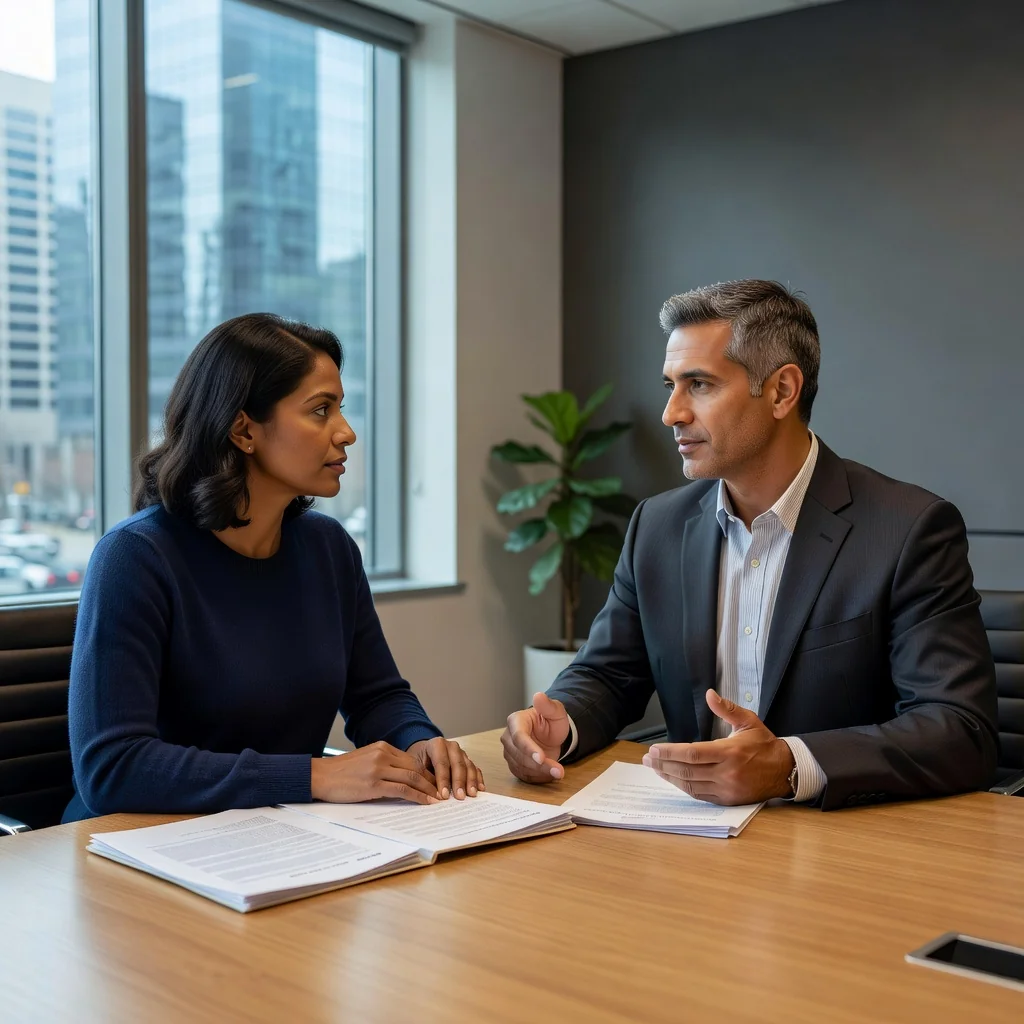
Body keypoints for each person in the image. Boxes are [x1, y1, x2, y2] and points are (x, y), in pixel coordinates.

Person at [501, 280, 998, 810]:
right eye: (670, 384)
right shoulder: (658, 526)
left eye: (700, 385)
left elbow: (959, 728)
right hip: (692, 837)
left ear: (782, 391)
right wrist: (562, 720)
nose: (671, 413)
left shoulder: (907, 529)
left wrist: (788, 766)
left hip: (844, 847)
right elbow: (608, 672)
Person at [64, 313, 482, 822]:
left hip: (279, 833)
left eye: (340, 409)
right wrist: (314, 776)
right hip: (137, 847)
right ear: (244, 430)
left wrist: (420, 742)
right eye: (320, 410)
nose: (347, 433)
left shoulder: (329, 548)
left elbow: (377, 696)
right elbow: (112, 768)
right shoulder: (134, 558)